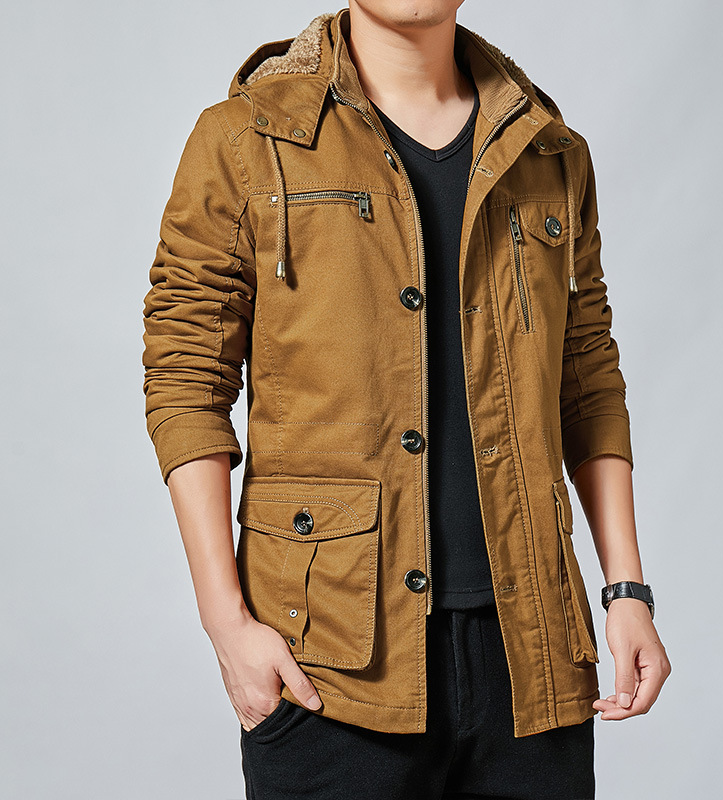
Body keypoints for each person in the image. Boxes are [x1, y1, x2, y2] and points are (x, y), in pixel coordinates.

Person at [142, 3, 671, 798]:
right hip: (330, 662)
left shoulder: (547, 150)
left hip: (531, 655)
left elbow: (587, 373)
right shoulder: (245, 138)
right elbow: (186, 375)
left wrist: (626, 591)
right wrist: (226, 622)